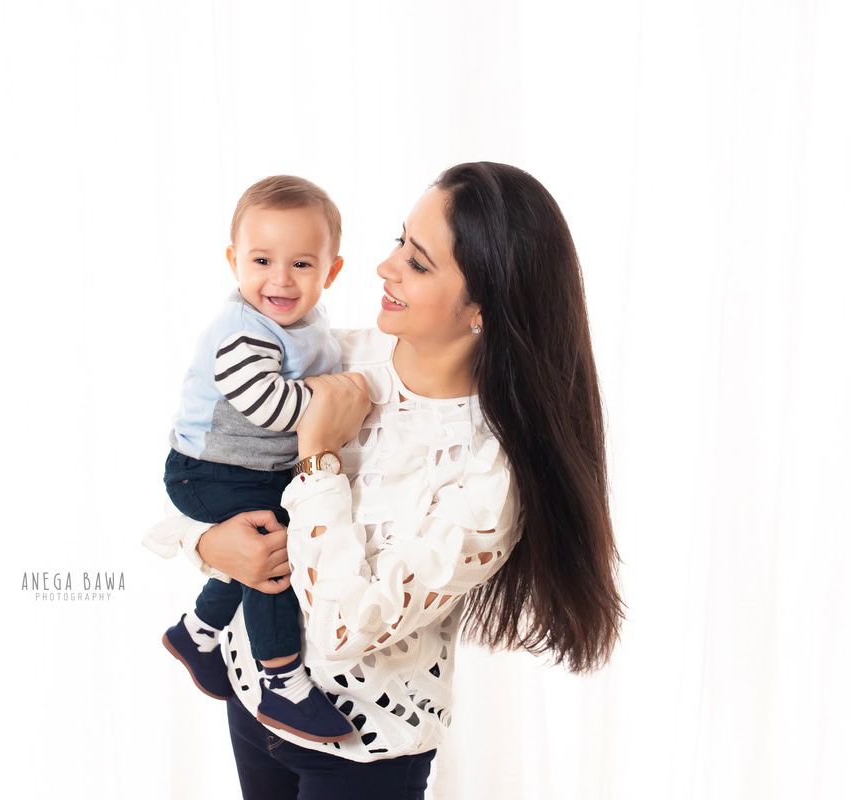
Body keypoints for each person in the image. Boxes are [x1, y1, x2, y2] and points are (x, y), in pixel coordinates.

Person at [142, 161, 625, 799]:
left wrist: (317, 454)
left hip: (361, 745)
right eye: (401, 241)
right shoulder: (330, 356)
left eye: (418, 263)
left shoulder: (489, 472)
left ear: (483, 306)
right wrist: (209, 543)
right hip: (251, 691)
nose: (384, 266)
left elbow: (348, 625)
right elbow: (205, 460)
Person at [158, 174, 354, 742]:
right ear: (233, 260)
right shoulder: (240, 334)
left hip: (251, 469)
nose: (280, 279)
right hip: (208, 470)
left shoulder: (308, 324)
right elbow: (272, 407)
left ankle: (196, 632)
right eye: (262, 260)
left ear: (331, 271)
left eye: (301, 265)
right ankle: (282, 681)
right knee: (276, 550)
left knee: (263, 543)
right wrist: (335, 401)